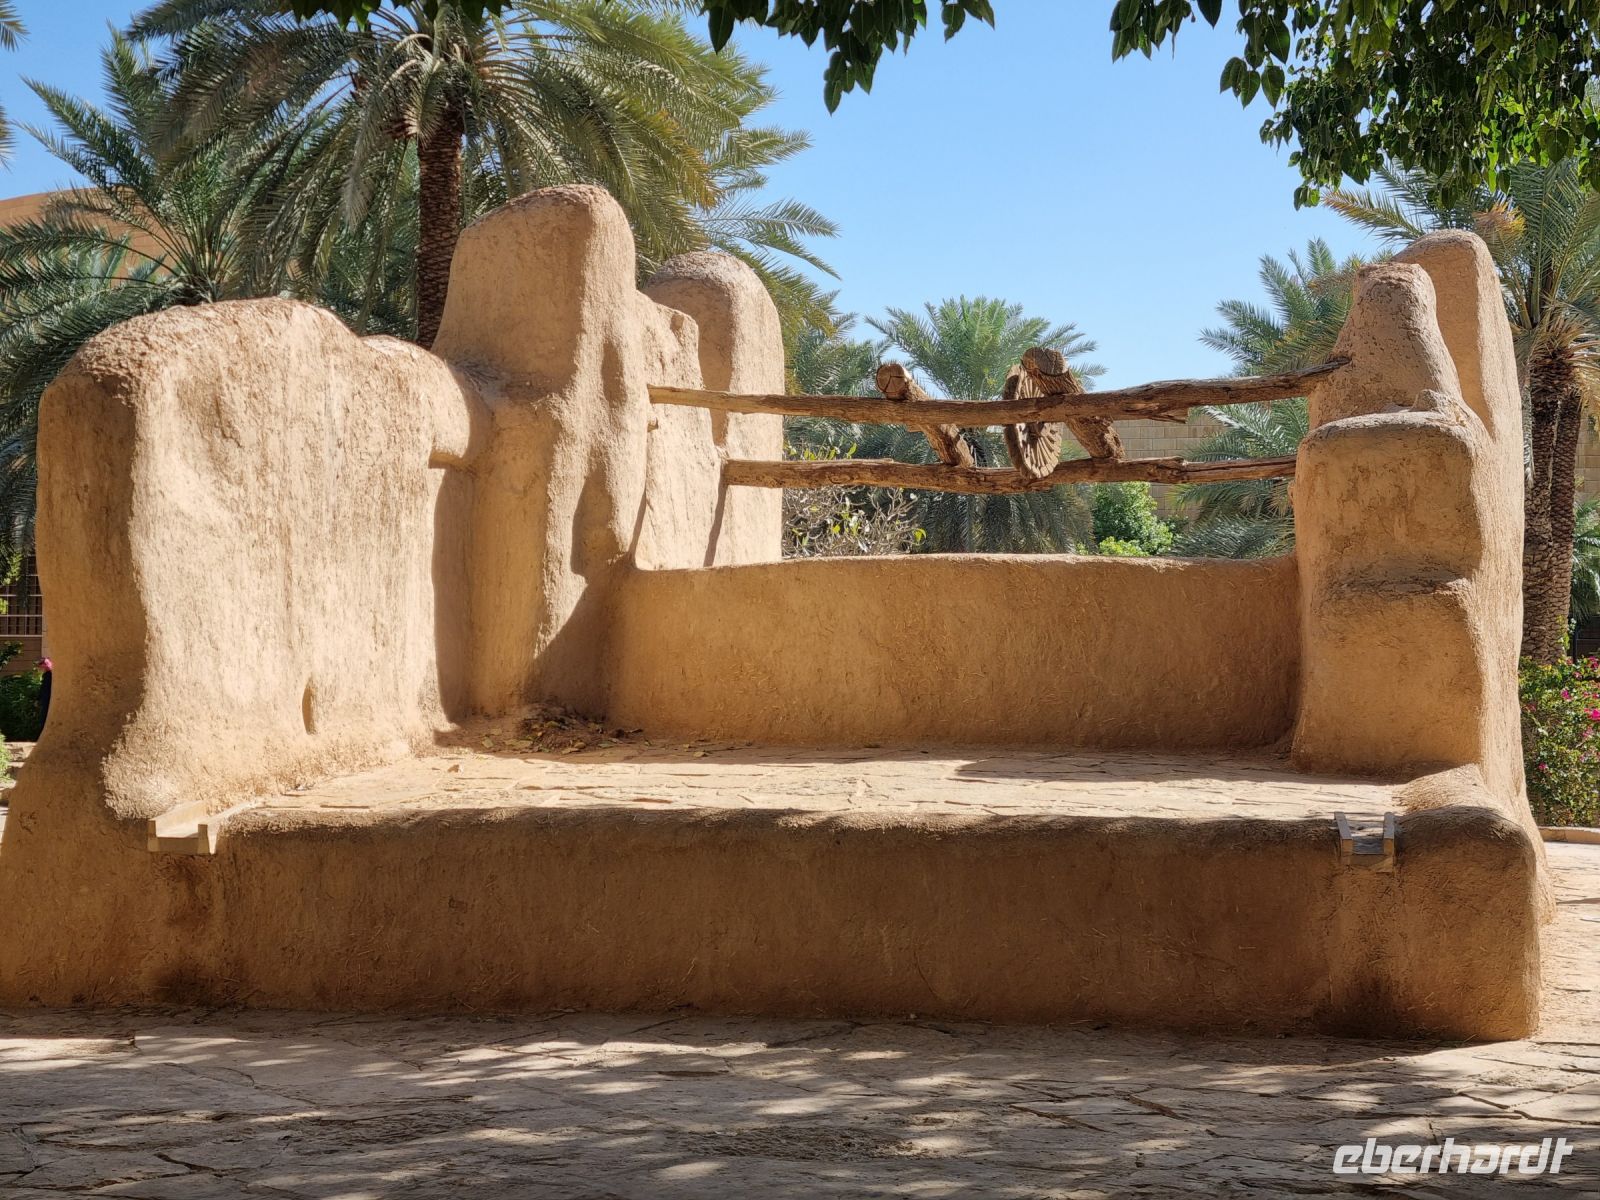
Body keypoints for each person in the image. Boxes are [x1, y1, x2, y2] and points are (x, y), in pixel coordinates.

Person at [36, 657, 51, 729]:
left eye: (41, 666)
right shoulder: (47, 674)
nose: (40, 668)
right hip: (45, 698)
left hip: (47, 699)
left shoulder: (49, 674)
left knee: (44, 716)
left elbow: (44, 688)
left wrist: (38, 699)